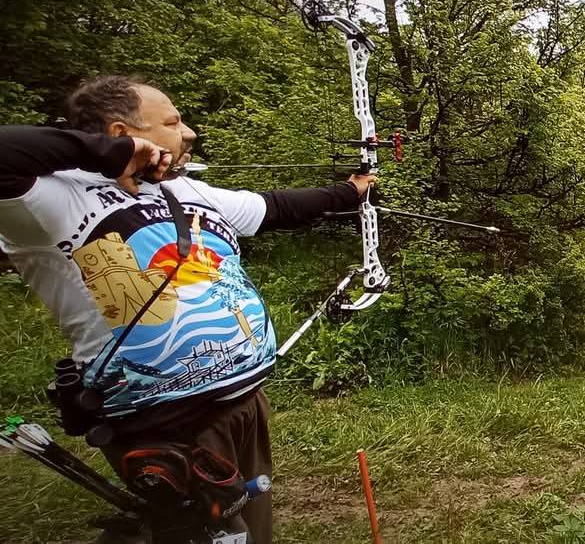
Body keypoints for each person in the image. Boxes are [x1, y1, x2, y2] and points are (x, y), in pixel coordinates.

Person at [0, 76, 375, 542]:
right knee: (199, 532)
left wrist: (352, 190)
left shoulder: (187, 191)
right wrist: (105, 154)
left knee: (250, 528)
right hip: (165, 421)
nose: (189, 132)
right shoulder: (47, 199)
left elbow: (277, 207)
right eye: (173, 121)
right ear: (121, 134)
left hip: (242, 402)